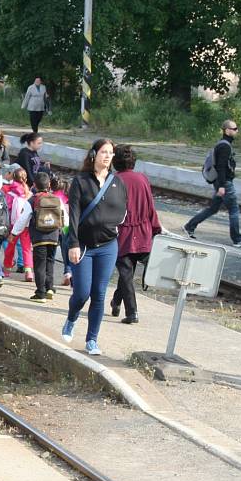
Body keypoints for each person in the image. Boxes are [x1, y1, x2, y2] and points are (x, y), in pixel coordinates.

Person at [61, 138, 128, 356]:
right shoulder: (81, 181)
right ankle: (71, 318)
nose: (107, 156)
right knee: (82, 293)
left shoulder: (118, 183)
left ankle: (92, 340)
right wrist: (73, 243)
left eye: (110, 153)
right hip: (83, 246)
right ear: (93, 155)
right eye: (103, 152)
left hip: (108, 246)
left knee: (99, 294)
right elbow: (74, 215)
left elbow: (123, 210)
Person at [110, 145, 162, 324]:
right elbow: (150, 206)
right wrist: (155, 228)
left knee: (125, 272)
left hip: (122, 232)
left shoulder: (114, 180)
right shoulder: (142, 179)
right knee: (127, 273)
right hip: (142, 231)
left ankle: (132, 313)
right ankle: (116, 302)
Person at [184, 120, 241, 247]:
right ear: (227, 130)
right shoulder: (225, 146)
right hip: (224, 183)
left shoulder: (223, 144)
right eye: (234, 128)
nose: (237, 130)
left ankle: (189, 226)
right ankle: (237, 239)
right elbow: (220, 167)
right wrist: (221, 186)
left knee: (213, 208)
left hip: (222, 182)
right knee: (234, 210)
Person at [11, 172, 63, 303]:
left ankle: (41, 293)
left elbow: (23, 219)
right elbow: (65, 219)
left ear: (34, 185)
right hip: (54, 237)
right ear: (49, 184)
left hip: (39, 237)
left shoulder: (32, 200)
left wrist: (14, 233)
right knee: (50, 261)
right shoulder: (57, 199)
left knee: (39, 265)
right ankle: (49, 287)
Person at [1, 165, 32, 277]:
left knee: (10, 247)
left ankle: (7, 270)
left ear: (13, 178)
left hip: (14, 224)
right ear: (26, 179)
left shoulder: (10, 192)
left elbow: (7, 208)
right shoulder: (28, 193)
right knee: (26, 248)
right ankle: (28, 271)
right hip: (26, 225)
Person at [52, 177, 72, 287]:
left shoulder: (52, 196)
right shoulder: (68, 197)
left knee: (54, 251)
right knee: (67, 251)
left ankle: (66, 274)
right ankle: (68, 273)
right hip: (67, 227)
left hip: (54, 227)